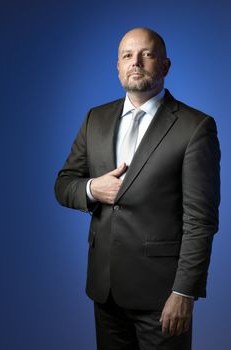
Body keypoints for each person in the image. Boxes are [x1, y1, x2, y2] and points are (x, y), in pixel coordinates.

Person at [54, 27, 220, 350]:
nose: (136, 62)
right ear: (117, 67)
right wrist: (91, 189)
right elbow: (63, 184)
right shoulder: (94, 119)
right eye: (127, 56)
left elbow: (201, 220)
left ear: (166, 66)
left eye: (147, 54)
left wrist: (184, 292)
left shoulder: (195, 127)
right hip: (105, 291)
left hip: (163, 297)